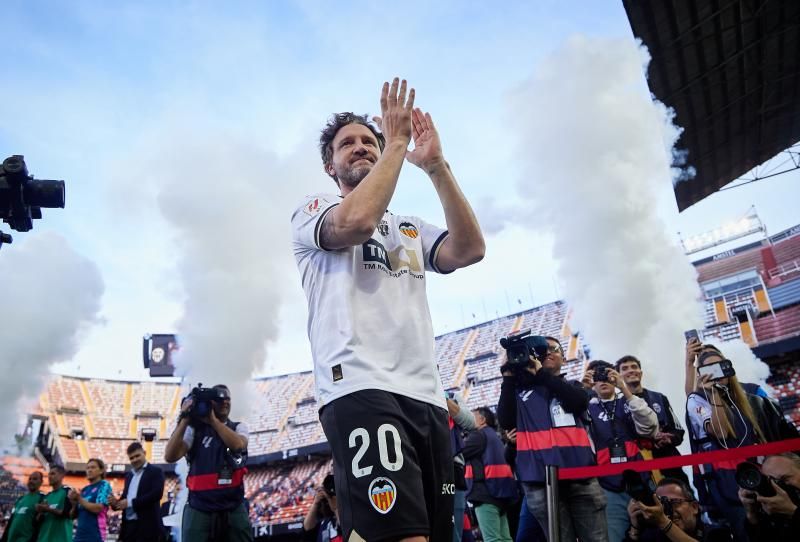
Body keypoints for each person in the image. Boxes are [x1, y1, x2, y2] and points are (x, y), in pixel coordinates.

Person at [290, 77, 485, 542]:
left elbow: (470, 249)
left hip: (426, 396)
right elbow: (356, 222)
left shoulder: (411, 228)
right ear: (328, 165)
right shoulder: (313, 209)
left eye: (367, 141)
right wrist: (396, 141)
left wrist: (436, 167)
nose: (360, 147)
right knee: (401, 536)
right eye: (347, 144)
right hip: (360, 385)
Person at [496, 335, 609, 542]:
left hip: (581, 477)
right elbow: (505, 420)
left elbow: (577, 403)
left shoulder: (574, 386)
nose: (548, 353)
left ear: (564, 359)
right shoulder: (519, 392)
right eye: (541, 350)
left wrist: (541, 375)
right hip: (539, 482)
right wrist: (508, 377)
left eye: (554, 349)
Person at [685, 349, 768, 540]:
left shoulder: (742, 396)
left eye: (720, 367)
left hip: (755, 469)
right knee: (744, 529)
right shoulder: (696, 399)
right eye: (710, 369)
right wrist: (713, 394)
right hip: (725, 479)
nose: (717, 374)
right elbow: (720, 432)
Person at [164, 384, 251, 542]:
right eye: (219, 399)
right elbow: (170, 456)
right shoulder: (194, 431)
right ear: (211, 403)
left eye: (228, 399)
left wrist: (213, 421)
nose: (225, 402)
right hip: (199, 507)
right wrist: (185, 419)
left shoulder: (239, 427)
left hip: (233, 505)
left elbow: (238, 445)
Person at [585, 360, 659, 542]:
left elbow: (650, 426)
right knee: (614, 536)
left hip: (640, 479)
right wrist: (582, 390)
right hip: (607, 485)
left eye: (606, 375)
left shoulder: (627, 401)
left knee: (655, 533)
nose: (602, 380)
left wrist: (624, 388)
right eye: (596, 377)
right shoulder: (586, 408)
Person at [616, 355, 689, 484]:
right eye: (625, 368)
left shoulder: (659, 398)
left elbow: (678, 430)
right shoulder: (617, 405)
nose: (631, 370)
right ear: (619, 376)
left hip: (669, 463)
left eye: (634, 367)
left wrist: (669, 438)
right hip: (640, 468)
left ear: (641, 373)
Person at [463, 407, 516, 542]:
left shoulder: (478, 436)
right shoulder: (495, 436)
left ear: (482, 419)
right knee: (505, 539)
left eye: (472, 416)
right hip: (502, 494)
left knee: (492, 539)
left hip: (485, 495)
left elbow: (459, 452)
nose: (469, 419)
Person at [625, 477, 733, 541]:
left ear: (694, 507)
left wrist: (663, 522)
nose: (667, 510)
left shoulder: (718, 534)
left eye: (674, 503)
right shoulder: (655, 536)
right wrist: (636, 528)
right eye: (662, 504)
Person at [108, 441, 165, 542]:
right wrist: (115, 503)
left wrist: (130, 503)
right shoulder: (129, 476)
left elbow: (156, 494)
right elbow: (125, 499)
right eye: (131, 458)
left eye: (137, 456)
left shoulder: (156, 471)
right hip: (129, 527)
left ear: (144, 453)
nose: (134, 460)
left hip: (147, 527)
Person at [738, 453, 800, 542]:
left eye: (784, 479)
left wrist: (792, 512)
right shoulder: (770, 510)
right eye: (770, 482)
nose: (778, 487)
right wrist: (752, 515)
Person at [447, 390, 477, 542]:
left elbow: (471, 423)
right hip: (424, 468)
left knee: (454, 533)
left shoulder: (452, 396)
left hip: (452, 469)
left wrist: (443, 399)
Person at [69, 458, 113, 542]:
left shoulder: (104, 485)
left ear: (101, 471)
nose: (89, 470)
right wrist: (74, 504)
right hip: (79, 536)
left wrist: (79, 499)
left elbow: (98, 508)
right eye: (88, 468)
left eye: (93, 467)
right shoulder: (84, 489)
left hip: (95, 536)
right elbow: (72, 516)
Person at [1, 471, 43, 542]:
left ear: (41, 482)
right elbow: (11, 522)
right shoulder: (20, 499)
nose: (31, 481)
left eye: (35, 479)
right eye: (30, 479)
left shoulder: (43, 498)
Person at [35, 465, 73, 542]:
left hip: (61, 539)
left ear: (61, 475)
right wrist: (40, 512)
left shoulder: (67, 491)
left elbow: (67, 514)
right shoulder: (47, 496)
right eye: (49, 474)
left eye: (53, 474)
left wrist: (48, 509)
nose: (49, 476)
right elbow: (37, 521)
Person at [302, 474, 342, 542]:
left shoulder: (348, 516)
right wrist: (316, 503)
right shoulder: (323, 523)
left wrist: (336, 508)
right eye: (325, 501)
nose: (327, 502)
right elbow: (307, 529)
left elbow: (345, 529)